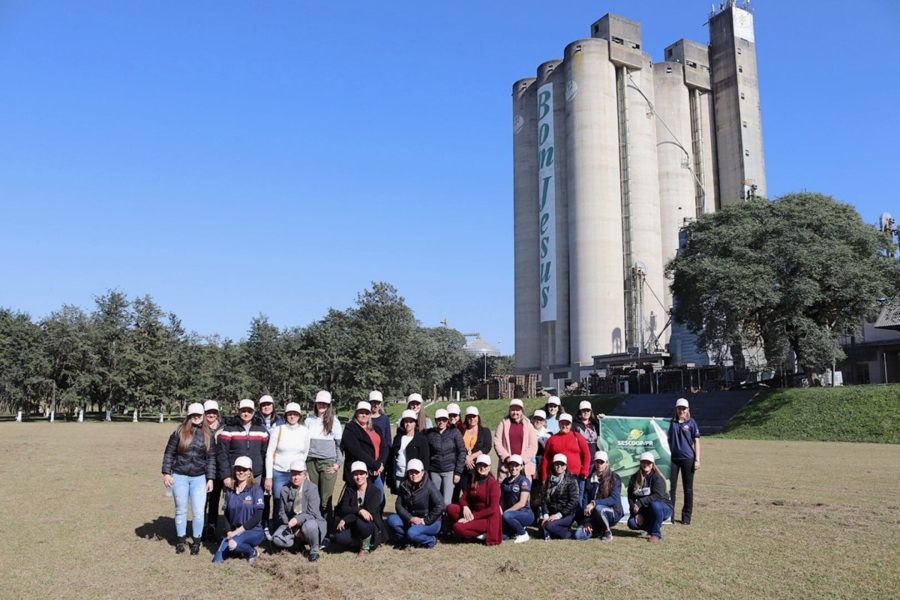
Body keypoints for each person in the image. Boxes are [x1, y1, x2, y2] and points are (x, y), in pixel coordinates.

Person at [161, 402, 216, 555]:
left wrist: (210, 478)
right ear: (189, 416)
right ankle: (180, 541)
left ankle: (196, 542)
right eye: (194, 415)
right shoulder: (179, 432)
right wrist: (166, 473)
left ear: (203, 416)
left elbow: (211, 458)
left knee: (198, 512)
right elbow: (169, 453)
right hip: (180, 476)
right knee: (181, 510)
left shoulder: (209, 434)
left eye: (199, 415)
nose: (197, 417)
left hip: (199, 478)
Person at [265, 402, 311, 530]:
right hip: (279, 472)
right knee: (279, 502)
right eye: (289, 414)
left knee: (297, 503)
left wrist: (302, 471)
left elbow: (305, 453)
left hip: (297, 474)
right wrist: (269, 476)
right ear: (285, 415)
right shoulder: (278, 430)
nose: (292, 416)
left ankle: (295, 531)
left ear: (299, 416)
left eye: (295, 414)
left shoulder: (305, 431)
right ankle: (277, 531)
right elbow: (269, 453)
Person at [212, 456, 265, 564]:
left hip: (253, 531)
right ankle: (239, 549)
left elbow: (257, 517)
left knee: (233, 544)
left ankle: (252, 552)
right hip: (234, 533)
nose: (241, 472)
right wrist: (229, 531)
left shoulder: (256, 489)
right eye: (238, 469)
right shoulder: (229, 490)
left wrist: (237, 532)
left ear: (250, 472)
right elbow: (226, 514)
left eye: (244, 469)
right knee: (217, 560)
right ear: (234, 470)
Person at [272, 459, 327, 562]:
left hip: (310, 522)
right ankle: (297, 545)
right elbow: (281, 512)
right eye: (293, 474)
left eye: (299, 474)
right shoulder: (284, 489)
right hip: (291, 525)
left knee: (309, 526)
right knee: (276, 538)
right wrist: (292, 527)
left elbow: (313, 513)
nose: (296, 477)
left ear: (305, 475)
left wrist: (297, 520)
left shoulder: (312, 488)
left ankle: (314, 549)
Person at [386, 459, 445, 549]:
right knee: (392, 519)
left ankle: (431, 540)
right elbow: (398, 505)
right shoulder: (404, 485)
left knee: (412, 532)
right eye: (411, 472)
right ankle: (404, 540)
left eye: (416, 472)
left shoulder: (429, 486)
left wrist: (425, 520)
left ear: (422, 472)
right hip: (412, 519)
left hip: (431, 522)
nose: (414, 475)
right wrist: (410, 518)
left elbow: (440, 505)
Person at [334, 461, 388, 556]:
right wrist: (359, 510)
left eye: (362, 474)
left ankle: (366, 545)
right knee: (340, 538)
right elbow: (344, 508)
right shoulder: (349, 490)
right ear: (352, 476)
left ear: (367, 474)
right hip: (353, 524)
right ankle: (357, 542)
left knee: (361, 522)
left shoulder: (375, 492)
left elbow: (369, 513)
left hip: (369, 524)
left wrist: (345, 519)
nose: (359, 477)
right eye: (355, 474)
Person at [446, 454, 502, 546]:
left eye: (485, 465)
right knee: (451, 508)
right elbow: (462, 498)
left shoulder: (493, 484)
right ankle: (472, 530)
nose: (482, 468)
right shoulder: (474, 480)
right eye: (480, 465)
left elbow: (492, 509)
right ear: (476, 466)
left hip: (487, 518)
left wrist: (470, 518)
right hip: (473, 512)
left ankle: (480, 534)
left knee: (457, 527)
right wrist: (465, 507)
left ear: (489, 467)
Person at [305, 390, 343, 521]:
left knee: (325, 499)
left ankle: (327, 528)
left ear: (329, 405)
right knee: (313, 497)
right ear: (315, 404)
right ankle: (314, 525)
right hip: (311, 462)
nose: (322, 406)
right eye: (319, 403)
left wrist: (337, 464)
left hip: (328, 463)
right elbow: (304, 443)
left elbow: (339, 446)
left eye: (325, 404)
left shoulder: (335, 421)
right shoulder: (308, 420)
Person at [340, 401, 389, 501]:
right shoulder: (350, 428)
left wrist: (380, 463)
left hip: (375, 473)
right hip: (359, 473)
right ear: (356, 413)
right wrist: (375, 465)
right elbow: (356, 451)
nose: (364, 415)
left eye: (367, 413)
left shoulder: (376, 429)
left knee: (379, 500)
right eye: (361, 412)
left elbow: (384, 447)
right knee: (358, 501)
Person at [540, 413, 590, 505]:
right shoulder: (552, 439)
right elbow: (546, 459)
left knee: (577, 501)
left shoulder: (577, 436)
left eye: (567, 424)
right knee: (559, 501)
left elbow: (587, 454)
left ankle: (579, 519)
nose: (564, 426)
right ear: (559, 424)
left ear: (571, 425)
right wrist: (544, 476)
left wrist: (585, 470)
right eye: (562, 423)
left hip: (576, 475)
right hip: (557, 475)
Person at [575, 451, 623, 542]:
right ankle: (598, 530)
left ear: (607, 463)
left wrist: (594, 503)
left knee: (599, 508)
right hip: (594, 515)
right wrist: (587, 521)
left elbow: (614, 499)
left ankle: (607, 532)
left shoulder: (615, 478)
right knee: (579, 535)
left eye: (602, 462)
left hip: (612, 511)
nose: (599, 464)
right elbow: (585, 499)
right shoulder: (589, 478)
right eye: (597, 462)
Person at [627, 452, 673, 542]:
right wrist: (636, 513)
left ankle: (656, 534)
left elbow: (657, 496)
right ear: (640, 463)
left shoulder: (657, 478)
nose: (646, 464)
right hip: (647, 509)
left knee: (654, 504)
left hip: (663, 508)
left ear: (652, 464)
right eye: (644, 462)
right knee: (632, 523)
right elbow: (630, 497)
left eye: (648, 462)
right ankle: (652, 528)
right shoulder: (634, 478)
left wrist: (639, 503)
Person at [668, 397, 701, 525]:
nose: (681, 410)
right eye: (679, 408)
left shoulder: (692, 423)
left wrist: (697, 460)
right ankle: (669, 517)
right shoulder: (671, 422)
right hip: (673, 460)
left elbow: (697, 441)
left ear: (688, 409)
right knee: (671, 489)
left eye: (684, 408)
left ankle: (686, 518)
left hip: (688, 459)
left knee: (688, 489)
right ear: (676, 409)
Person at [424, 408, 466, 506]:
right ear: (435, 420)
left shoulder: (455, 432)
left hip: (450, 471)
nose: (441, 422)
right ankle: (437, 521)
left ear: (447, 420)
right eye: (439, 419)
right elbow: (427, 453)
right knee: (436, 500)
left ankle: (447, 520)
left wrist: (458, 472)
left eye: (444, 419)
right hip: (434, 471)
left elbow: (461, 451)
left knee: (447, 502)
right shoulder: (430, 434)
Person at [387, 409, 430, 494]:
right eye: (406, 421)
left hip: (414, 476)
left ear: (415, 423)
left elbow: (425, 459)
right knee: (400, 500)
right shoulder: (398, 438)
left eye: (411, 421)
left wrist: (423, 476)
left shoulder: (421, 439)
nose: (408, 424)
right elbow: (392, 457)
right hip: (399, 474)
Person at [494, 399, 538, 482]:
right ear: (509, 410)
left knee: (523, 492)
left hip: (523, 466)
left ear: (522, 411)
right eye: (512, 410)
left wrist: (521, 460)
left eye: (517, 410)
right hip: (507, 465)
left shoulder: (528, 425)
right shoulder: (503, 424)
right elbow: (497, 442)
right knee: (505, 491)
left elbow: (533, 446)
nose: (515, 412)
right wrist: (507, 458)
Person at [538, 453, 580, 539]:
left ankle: (569, 533)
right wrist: (546, 515)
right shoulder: (548, 479)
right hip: (552, 513)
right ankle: (555, 529)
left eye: (562, 464)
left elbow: (574, 502)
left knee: (548, 526)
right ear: (553, 465)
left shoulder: (571, 480)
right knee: (541, 525)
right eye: (557, 464)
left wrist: (558, 515)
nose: (559, 466)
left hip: (566, 514)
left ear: (565, 466)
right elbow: (543, 499)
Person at [202, 399, 226, 542]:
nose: (211, 415)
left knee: (214, 502)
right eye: (208, 412)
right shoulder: (199, 428)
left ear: (217, 414)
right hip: (202, 470)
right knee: (202, 502)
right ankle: (200, 529)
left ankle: (211, 529)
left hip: (218, 471)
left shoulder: (224, 427)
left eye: (213, 412)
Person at [500, 455, 533, 543]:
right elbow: (501, 500)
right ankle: (517, 528)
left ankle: (523, 534)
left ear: (521, 467)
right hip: (510, 515)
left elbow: (522, 503)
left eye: (517, 465)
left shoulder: (524, 481)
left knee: (507, 516)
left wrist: (506, 512)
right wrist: (500, 511)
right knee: (502, 536)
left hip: (525, 513)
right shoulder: (505, 481)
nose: (514, 468)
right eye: (511, 465)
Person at [461, 406, 492, 480]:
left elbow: (487, 447)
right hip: (462, 464)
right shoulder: (461, 431)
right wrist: (466, 457)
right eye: (469, 417)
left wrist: (472, 456)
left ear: (478, 417)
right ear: (466, 418)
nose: (472, 419)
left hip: (478, 466)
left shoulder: (485, 431)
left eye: (474, 416)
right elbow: (458, 447)